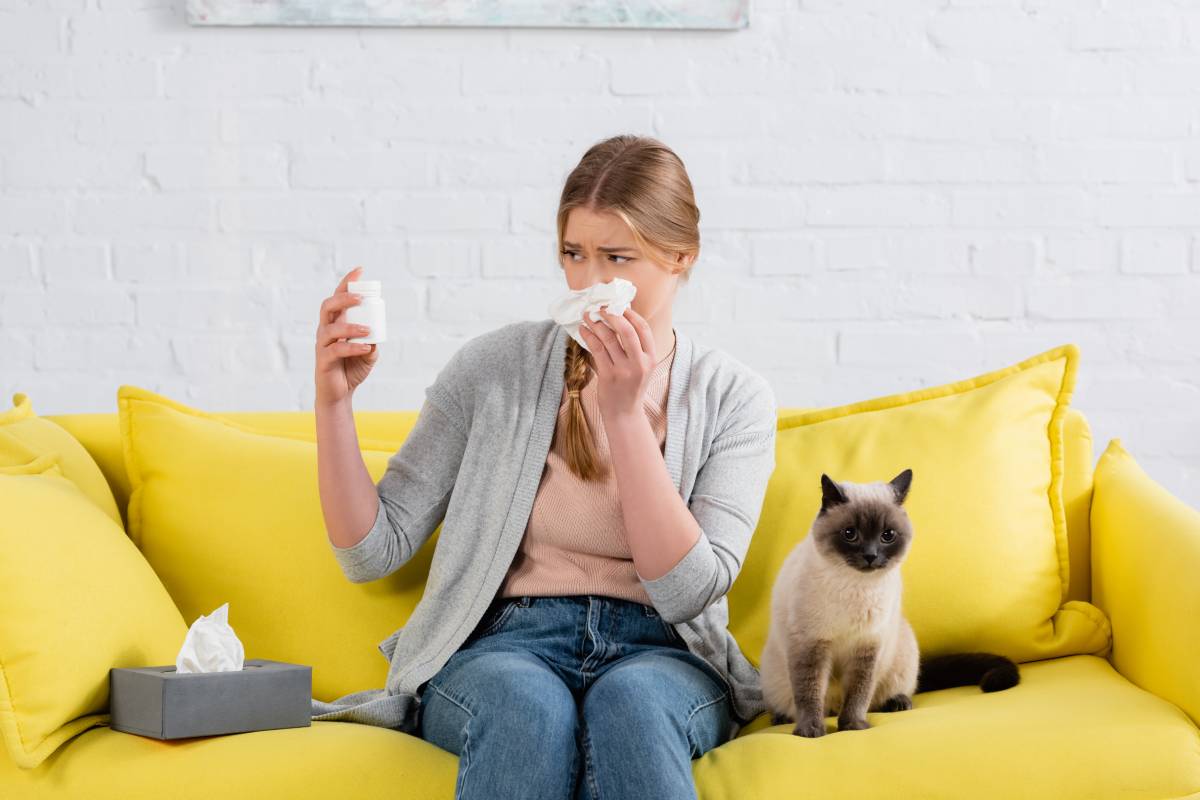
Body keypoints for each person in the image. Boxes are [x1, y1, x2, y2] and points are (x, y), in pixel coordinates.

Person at [312, 134, 778, 800]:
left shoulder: (735, 397)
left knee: (635, 709)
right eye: (573, 255)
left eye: (617, 258)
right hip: (505, 643)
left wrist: (623, 417)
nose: (589, 284)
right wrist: (334, 398)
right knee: (527, 709)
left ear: (681, 257)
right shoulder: (493, 369)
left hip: (663, 649)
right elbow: (372, 551)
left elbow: (686, 592)